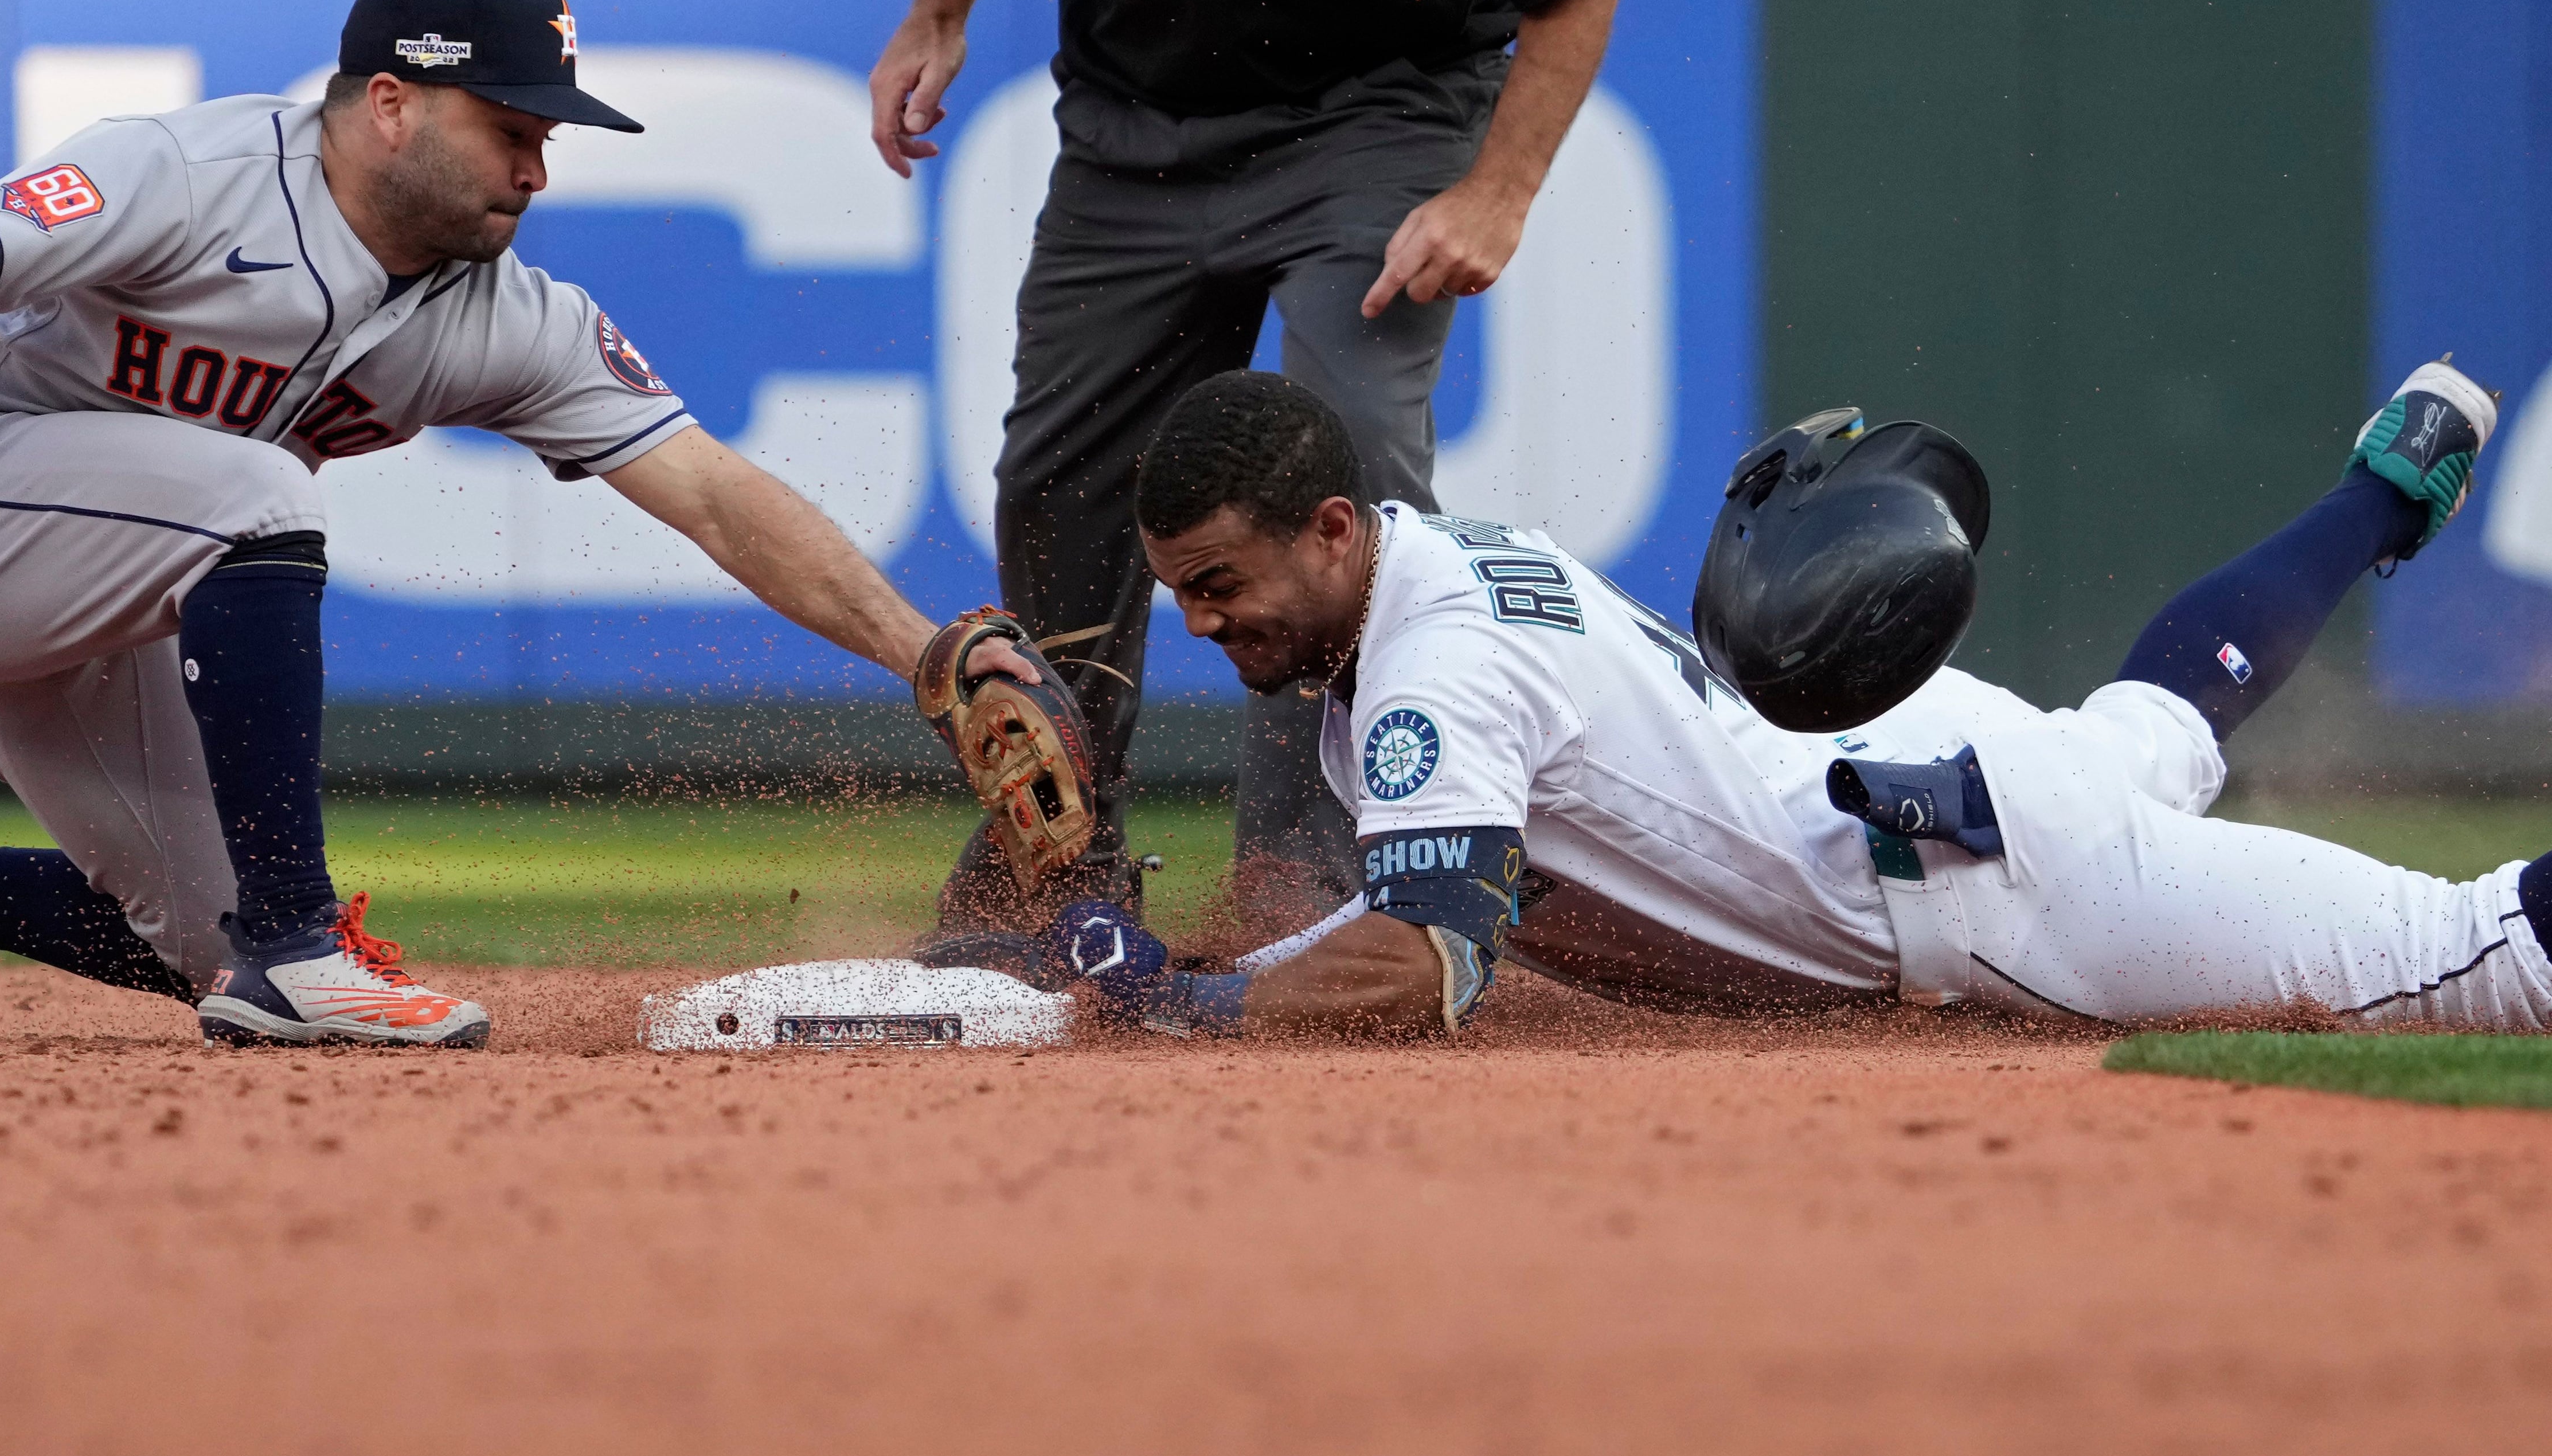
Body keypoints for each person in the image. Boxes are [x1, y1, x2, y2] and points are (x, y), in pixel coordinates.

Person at [0, 0, 1028, 1048]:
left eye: (547, 132)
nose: (537, 168)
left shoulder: (510, 319)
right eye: (510, 127)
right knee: (257, 492)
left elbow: (717, 497)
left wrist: (922, 654)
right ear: (392, 105)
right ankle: (299, 952)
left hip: (111, 569)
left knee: (198, 938)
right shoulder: (189, 172)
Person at [991, 361, 2552, 1040]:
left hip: (1988, 881)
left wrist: (1179, 996)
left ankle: (2381, 498)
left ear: (1332, 527)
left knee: (2473, 956)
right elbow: (1423, 893)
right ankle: (2383, 492)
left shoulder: (1436, 663)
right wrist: (1205, 963)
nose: (1199, 623)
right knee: (2150, 725)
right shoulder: (1435, 566)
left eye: (1218, 583)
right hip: (1922, 760)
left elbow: (1421, 968)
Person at [866, 0, 1643, 946]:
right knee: (1050, 479)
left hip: (1371, 113)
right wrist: (939, 5)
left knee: (1341, 455)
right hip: (1134, 123)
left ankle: (1322, 860)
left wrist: (1496, 190)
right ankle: (1057, 855)